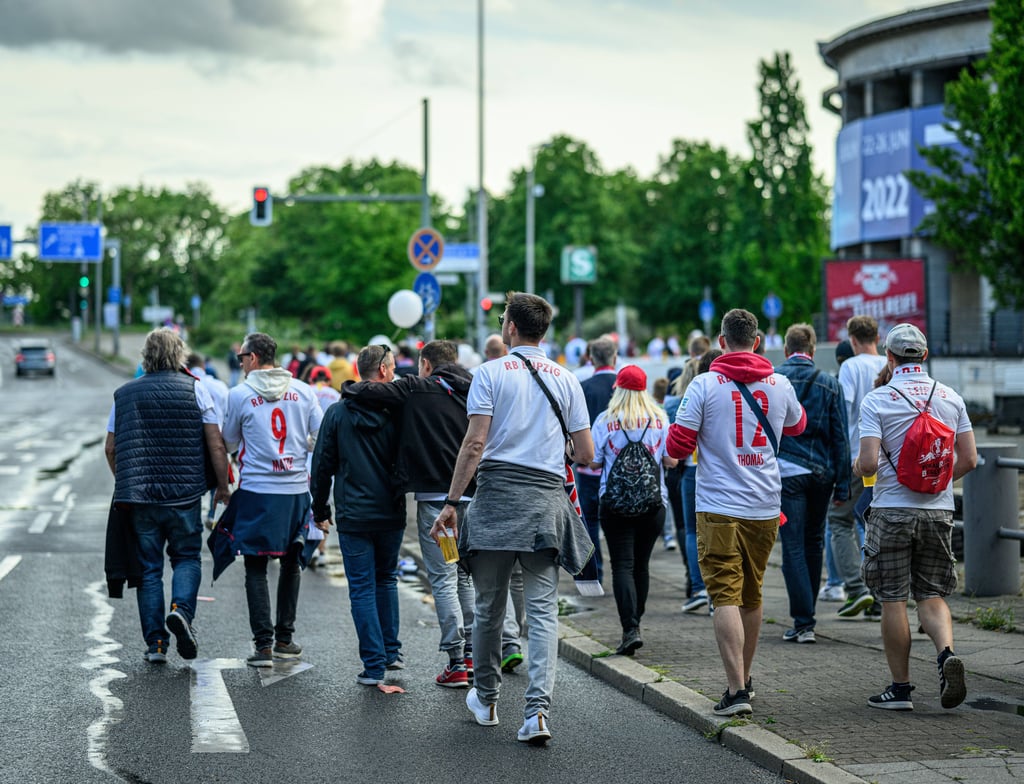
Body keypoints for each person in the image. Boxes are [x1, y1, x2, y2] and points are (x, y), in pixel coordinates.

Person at [430, 292, 594, 745]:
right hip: (545, 503)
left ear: (510, 328)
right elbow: (585, 453)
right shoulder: (567, 378)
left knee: (488, 608)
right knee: (541, 613)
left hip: (498, 498)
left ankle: (486, 700)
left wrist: (451, 501)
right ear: (543, 330)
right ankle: (538, 713)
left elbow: (475, 444)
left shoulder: (489, 374)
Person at [667, 308, 806, 717]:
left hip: (718, 505)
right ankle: (745, 677)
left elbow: (677, 445)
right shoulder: (780, 384)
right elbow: (798, 426)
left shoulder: (704, 385)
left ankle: (735, 689)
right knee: (752, 592)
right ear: (758, 341)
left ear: (722, 342)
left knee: (724, 593)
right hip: (765, 504)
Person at [855, 323, 977, 710]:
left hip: (891, 508)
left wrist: (859, 465)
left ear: (889, 358)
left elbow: (870, 462)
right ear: (924, 356)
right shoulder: (950, 397)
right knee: (932, 594)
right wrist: (938, 483)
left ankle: (901, 689)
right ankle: (945, 655)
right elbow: (970, 459)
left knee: (893, 599)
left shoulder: (877, 399)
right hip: (938, 511)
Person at [104, 328, 231, 663]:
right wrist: (222, 486)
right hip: (185, 496)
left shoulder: (124, 394)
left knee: (148, 570)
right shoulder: (197, 390)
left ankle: (156, 645)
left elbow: (111, 448)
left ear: (146, 355)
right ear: (180, 354)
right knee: (186, 557)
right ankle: (181, 612)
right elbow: (216, 443)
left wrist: (127, 481)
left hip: (141, 497)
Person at [221, 332, 323, 667]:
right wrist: (301, 448)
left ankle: (263, 645)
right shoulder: (304, 391)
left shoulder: (239, 394)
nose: (240, 364)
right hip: (294, 489)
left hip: (256, 489)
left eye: (240, 358)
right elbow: (320, 436)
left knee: (255, 566)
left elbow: (230, 442)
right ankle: (285, 639)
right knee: (291, 563)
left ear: (252, 358)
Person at [310, 344, 406, 686]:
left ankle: (375, 663)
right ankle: (390, 652)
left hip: (353, 512)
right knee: (386, 579)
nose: (394, 373)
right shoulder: (399, 410)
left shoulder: (338, 413)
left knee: (363, 587)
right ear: (382, 370)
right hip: (391, 511)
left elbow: (322, 464)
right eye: (392, 368)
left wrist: (320, 509)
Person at [590, 365, 676, 655]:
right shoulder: (659, 419)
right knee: (641, 565)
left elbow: (593, 462)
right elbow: (670, 461)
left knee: (622, 566)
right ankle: (636, 620)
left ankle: (630, 628)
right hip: (653, 505)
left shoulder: (605, 420)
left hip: (614, 505)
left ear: (618, 389)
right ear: (644, 389)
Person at [775, 324, 850, 644]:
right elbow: (840, 438)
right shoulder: (830, 384)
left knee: (791, 544)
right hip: (822, 474)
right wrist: (844, 485)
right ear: (813, 349)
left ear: (786, 348)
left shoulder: (773, 380)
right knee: (814, 539)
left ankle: (803, 621)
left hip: (786, 473)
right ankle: (808, 617)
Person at [832, 315, 888, 619]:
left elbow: (843, 413)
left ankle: (856, 589)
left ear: (852, 340)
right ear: (877, 338)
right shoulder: (887, 366)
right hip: (886, 461)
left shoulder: (850, 367)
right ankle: (883, 596)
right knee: (877, 525)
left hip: (858, 458)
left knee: (840, 521)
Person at [676, 348, 722, 615]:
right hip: (728, 472)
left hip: (695, 470)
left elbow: (678, 443)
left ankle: (698, 587)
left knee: (694, 531)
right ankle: (722, 591)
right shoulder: (733, 391)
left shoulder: (694, 392)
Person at [576, 336, 618, 586]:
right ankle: (622, 571)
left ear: (591, 358)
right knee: (617, 525)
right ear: (614, 357)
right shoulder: (623, 387)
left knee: (590, 521)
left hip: (589, 467)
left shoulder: (585, 386)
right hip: (618, 469)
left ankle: (596, 573)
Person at [820, 339, 856, 603]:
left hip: (849, 459)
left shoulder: (840, 377)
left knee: (837, 521)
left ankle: (836, 583)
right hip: (879, 461)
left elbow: (838, 423)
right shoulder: (882, 369)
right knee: (866, 522)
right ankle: (869, 581)